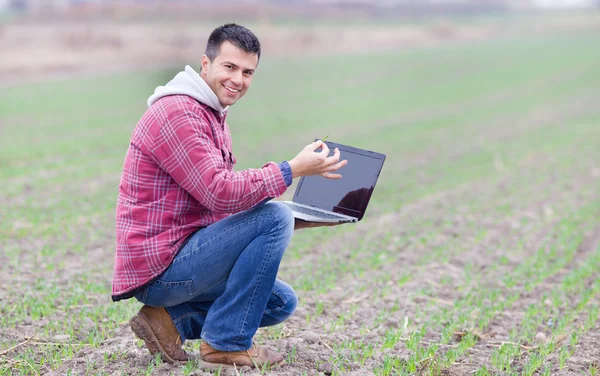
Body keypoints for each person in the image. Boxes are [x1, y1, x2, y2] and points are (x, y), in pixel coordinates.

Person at [111, 23, 347, 370]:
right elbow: (219, 192)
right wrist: (291, 169)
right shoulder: (179, 113)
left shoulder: (210, 113)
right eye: (230, 67)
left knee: (279, 302)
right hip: (161, 267)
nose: (238, 79)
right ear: (205, 65)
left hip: (184, 254)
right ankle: (225, 345)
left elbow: (215, 205)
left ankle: (168, 322)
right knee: (274, 216)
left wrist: (299, 218)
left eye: (248, 72)